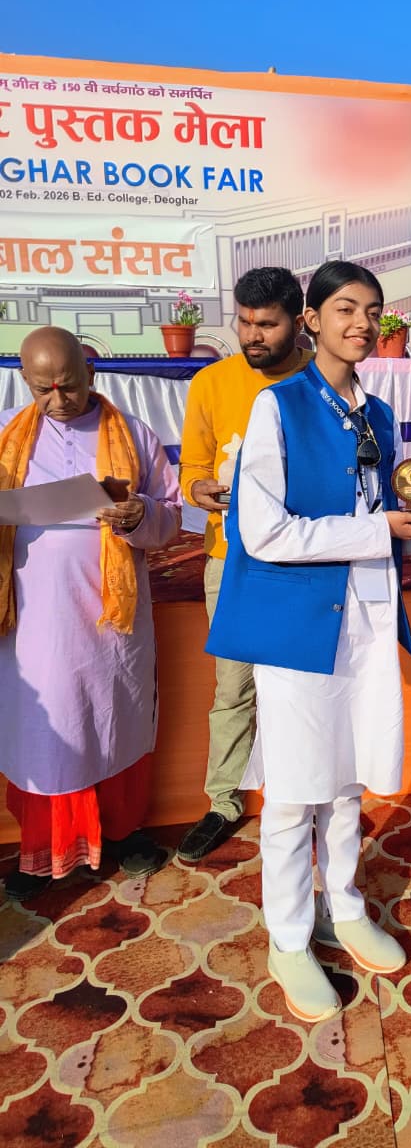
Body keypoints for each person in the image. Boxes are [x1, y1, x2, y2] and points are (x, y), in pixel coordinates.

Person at [206, 260, 411, 1022]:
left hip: (368, 618)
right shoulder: (278, 407)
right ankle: (290, 937)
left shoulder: (379, 415)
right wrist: (376, 528)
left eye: (373, 310)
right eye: (345, 309)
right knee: (295, 791)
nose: (361, 323)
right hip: (300, 625)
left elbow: (388, 514)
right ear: (312, 320)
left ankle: (345, 905)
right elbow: (264, 532)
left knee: (349, 778)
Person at [0, 327, 181, 899]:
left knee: (113, 720)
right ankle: (44, 850)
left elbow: (172, 514)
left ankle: (122, 834)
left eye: (69, 386)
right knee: (46, 733)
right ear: (25, 382)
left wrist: (140, 514)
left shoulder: (133, 434)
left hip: (112, 619)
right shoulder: (5, 435)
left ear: (91, 374)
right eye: (43, 389)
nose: (58, 400)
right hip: (34, 621)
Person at [176, 268, 314, 863]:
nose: (252, 335)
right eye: (244, 322)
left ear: (298, 322)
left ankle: (303, 794)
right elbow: (192, 468)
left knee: (303, 687)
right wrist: (200, 489)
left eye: (267, 324)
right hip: (230, 559)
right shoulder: (211, 382)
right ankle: (223, 801)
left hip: (305, 562)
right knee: (233, 687)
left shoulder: (321, 378)